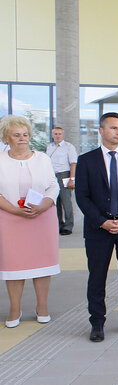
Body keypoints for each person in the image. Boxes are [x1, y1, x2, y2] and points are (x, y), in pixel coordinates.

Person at [74, 112, 118, 342]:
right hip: (98, 230)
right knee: (97, 277)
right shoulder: (87, 160)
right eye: (114, 128)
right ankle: (97, 322)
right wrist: (102, 221)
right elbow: (82, 196)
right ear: (101, 130)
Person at [0, 116, 60, 328]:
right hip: (10, 219)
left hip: (42, 218)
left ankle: (41, 306)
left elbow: (53, 185)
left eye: (25, 134)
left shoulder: (42, 158)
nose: (22, 138)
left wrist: (44, 204)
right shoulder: (0, 160)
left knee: (41, 265)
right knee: (13, 265)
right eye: (16, 135)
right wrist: (16, 211)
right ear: (7, 138)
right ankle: (15, 308)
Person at [46, 126, 78, 235]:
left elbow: (73, 163)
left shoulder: (69, 147)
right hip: (51, 176)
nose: (57, 136)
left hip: (64, 175)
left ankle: (68, 226)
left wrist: (71, 179)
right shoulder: (49, 147)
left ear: (63, 135)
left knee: (66, 202)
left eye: (59, 133)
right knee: (55, 202)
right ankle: (58, 224)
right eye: (55, 133)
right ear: (52, 135)